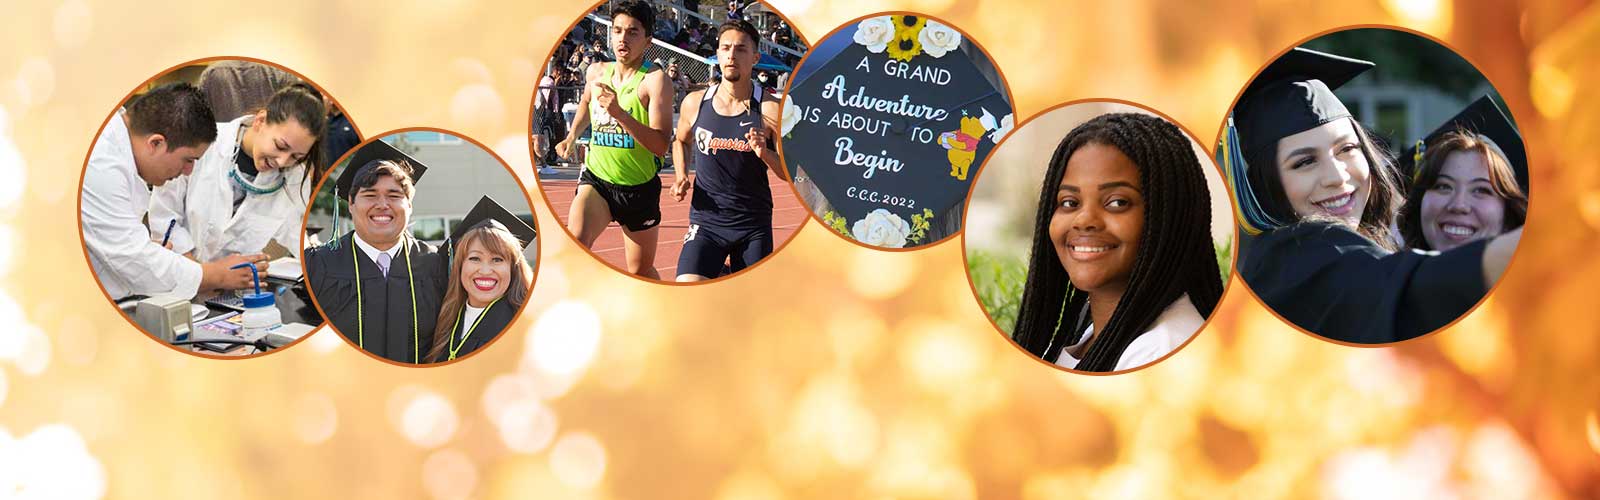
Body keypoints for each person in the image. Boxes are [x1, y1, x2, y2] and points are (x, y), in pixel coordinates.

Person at [1224, 47, 1522, 344]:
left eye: (1347, 149)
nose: (1338, 176)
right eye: (1304, 162)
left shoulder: (1365, 242)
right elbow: (1407, 289)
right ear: (1266, 183)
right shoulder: (1287, 259)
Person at [1010, 113, 1224, 372]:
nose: (1084, 220)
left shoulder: (1161, 350)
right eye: (1069, 203)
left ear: (1170, 215)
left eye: (1117, 202)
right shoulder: (1093, 332)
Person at [82, 82, 261, 301]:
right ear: (155, 143)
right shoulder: (101, 165)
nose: (188, 171)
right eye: (188, 160)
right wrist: (217, 275)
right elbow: (133, 259)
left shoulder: (117, 144)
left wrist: (151, 251)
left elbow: (119, 247)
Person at [555, 0, 675, 279]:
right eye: (618, 30)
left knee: (640, 270)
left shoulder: (655, 81)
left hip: (638, 189)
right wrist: (572, 137)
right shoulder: (597, 72)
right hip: (597, 181)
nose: (623, 38)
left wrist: (620, 113)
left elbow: (660, 145)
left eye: (633, 32)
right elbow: (586, 103)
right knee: (576, 244)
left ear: (648, 40)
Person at [148, 82, 327, 263]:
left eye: (296, 156)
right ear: (260, 121)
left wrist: (324, 262)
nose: (282, 161)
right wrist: (202, 276)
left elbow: (295, 230)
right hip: (179, 275)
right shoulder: (202, 143)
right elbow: (164, 215)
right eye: (280, 146)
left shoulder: (293, 175)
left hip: (239, 286)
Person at [303, 140, 448, 363]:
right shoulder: (317, 265)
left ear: (409, 205)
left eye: (394, 195)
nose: (382, 204)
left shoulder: (437, 264)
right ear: (351, 203)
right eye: (370, 195)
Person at [671, 20, 784, 282]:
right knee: (687, 287)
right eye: (726, 48)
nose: (732, 55)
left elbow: (789, 173)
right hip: (706, 222)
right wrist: (680, 175)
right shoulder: (695, 102)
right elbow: (681, 141)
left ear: (755, 57)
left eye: (741, 49)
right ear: (718, 54)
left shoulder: (770, 109)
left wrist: (765, 153)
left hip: (752, 225)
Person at [1396, 96, 1529, 252]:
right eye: (1443, 186)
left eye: (1481, 190)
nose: (1458, 206)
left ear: (1508, 215)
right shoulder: (1385, 274)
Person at [424, 196, 537, 363]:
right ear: (460, 265)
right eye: (475, 258)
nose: (485, 270)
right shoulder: (446, 317)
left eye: (497, 259)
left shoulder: (525, 325)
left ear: (513, 268)